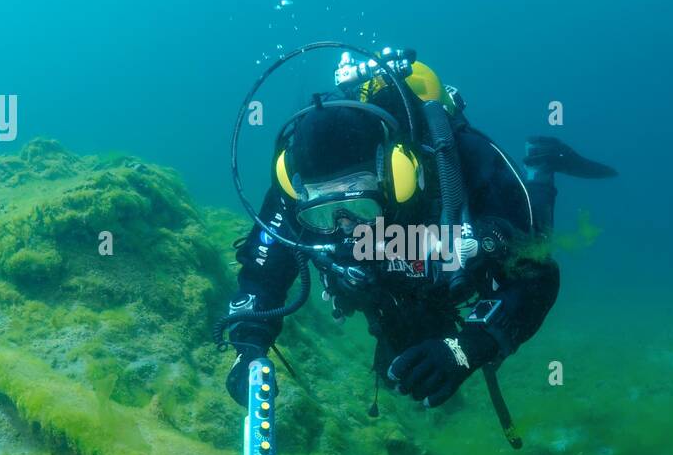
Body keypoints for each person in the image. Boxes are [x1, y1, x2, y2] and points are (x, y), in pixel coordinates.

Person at [224, 53, 614, 431]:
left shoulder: (464, 160)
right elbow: (263, 271)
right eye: (322, 215)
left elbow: (537, 276)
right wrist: (249, 348)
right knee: (401, 370)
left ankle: (542, 164)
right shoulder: (295, 191)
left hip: (448, 259)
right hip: (392, 286)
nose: (346, 227)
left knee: (536, 237)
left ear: (395, 175)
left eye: (359, 206)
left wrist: (470, 347)